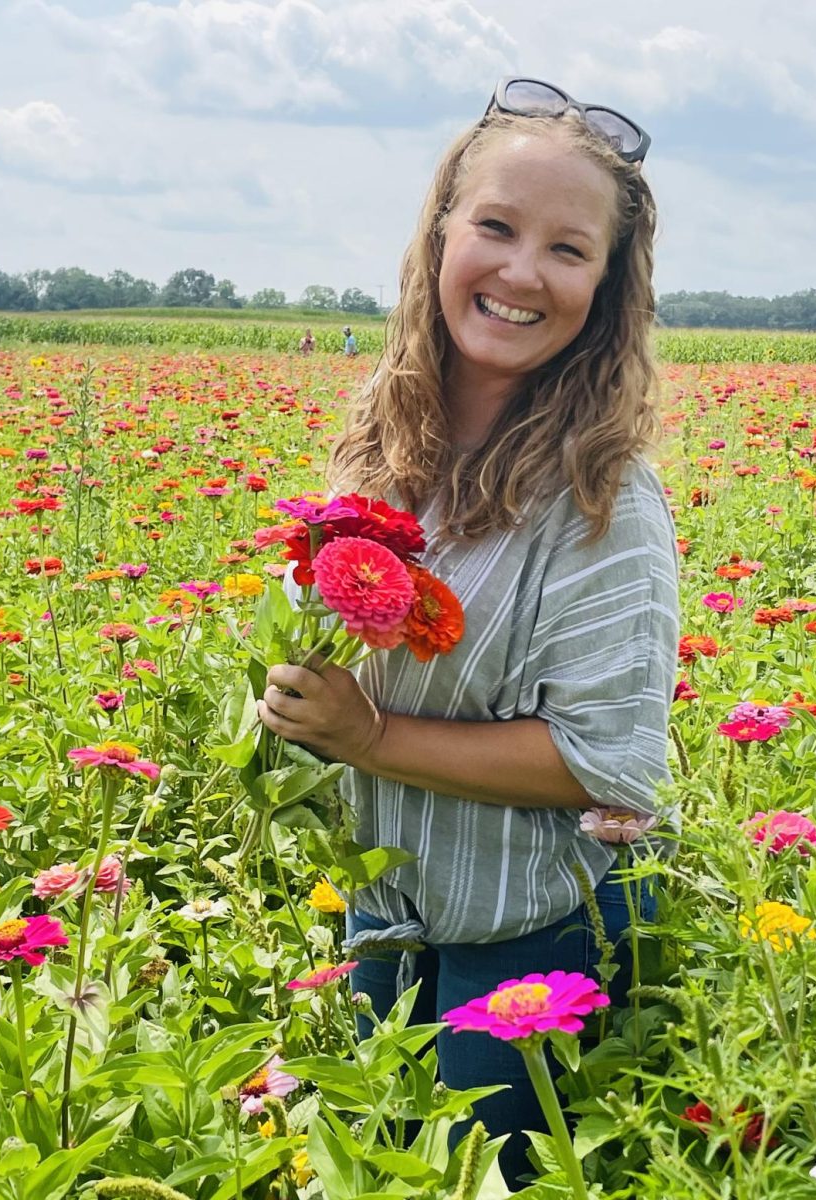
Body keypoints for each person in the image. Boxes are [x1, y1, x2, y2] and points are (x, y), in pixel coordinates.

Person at [257, 77, 679, 1184]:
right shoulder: (381, 441)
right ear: (440, 231)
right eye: (495, 225)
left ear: (607, 286)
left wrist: (368, 737)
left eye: (567, 249)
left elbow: (610, 760)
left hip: (526, 945)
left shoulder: (601, 492)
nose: (521, 271)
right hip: (383, 924)